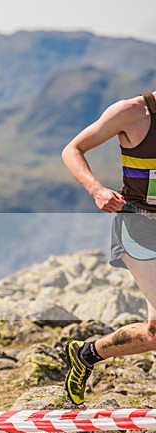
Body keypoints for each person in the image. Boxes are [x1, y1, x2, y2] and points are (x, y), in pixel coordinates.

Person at [62, 90, 156, 405]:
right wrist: (96, 189)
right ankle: (86, 355)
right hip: (140, 226)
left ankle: (87, 354)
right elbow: (72, 150)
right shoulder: (132, 113)